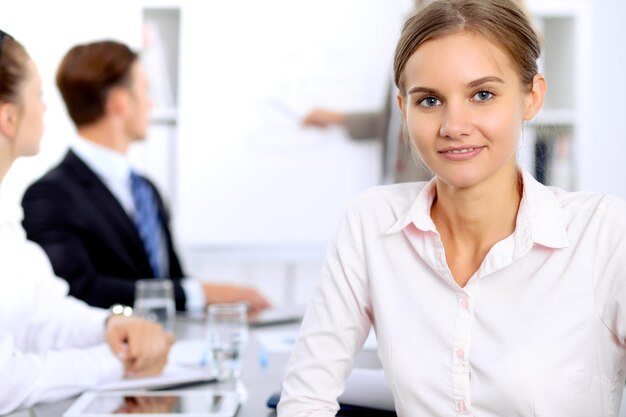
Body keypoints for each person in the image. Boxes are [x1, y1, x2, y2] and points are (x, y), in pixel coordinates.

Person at [278, 0, 626, 415]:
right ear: (403, 108)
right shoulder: (371, 222)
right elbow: (305, 398)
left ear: (531, 97)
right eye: (429, 101)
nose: (453, 126)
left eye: (482, 94)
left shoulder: (605, 234)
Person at [21, 40, 270, 316]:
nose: (151, 103)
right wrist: (200, 292)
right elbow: (77, 290)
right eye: (145, 91)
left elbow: (171, 277)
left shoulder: (146, 190)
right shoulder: (50, 196)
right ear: (121, 102)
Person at [0, 30, 173, 414]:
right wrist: (119, 360)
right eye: (39, 95)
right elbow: (6, 381)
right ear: (9, 117)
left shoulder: (7, 215)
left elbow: (42, 311)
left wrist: (111, 327)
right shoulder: (48, 195)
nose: (46, 109)